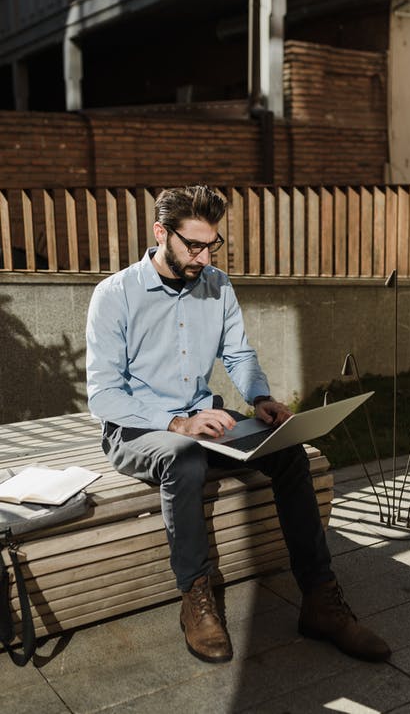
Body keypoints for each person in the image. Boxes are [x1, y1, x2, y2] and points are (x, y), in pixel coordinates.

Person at [86, 185, 390, 665]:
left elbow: (238, 354)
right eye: (194, 245)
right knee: (182, 460)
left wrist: (261, 398)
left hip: (206, 423)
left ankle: (320, 600)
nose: (204, 257)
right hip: (138, 432)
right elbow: (103, 395)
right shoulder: (115, 295)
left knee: (289, 451)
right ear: (160, 233)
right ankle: (196, 598)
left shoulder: (218, 285)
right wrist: (176, 423)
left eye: (213, 245)